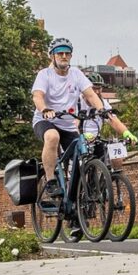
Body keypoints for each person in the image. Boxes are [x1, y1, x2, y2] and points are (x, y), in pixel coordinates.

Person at [31, 38, 107, 238]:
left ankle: (75, 215)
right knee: (52, 136)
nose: (64, 56)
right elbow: (37, 96)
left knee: (81, 161)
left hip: (68, 124)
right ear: (53, 56)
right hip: (45, 120)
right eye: (60, 53)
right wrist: (45, 108)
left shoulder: (76, 74)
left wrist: (101, 110)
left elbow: (90, 94)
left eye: (67, 53)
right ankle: (50, 181)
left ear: (71, 55)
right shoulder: (44, 75)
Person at [79, 72, 138, 166]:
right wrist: (82, 135)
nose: (97, 92)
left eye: (99, 88)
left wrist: (126, 133)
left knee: (116, 159)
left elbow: (113, 120)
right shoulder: (78, 102)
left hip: (95, 140)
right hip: (78, 140)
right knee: (79, 168)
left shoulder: (103, 103)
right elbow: (71, 124)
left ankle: (112, 178)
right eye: (94, 88)